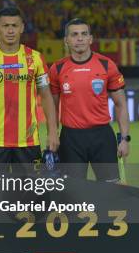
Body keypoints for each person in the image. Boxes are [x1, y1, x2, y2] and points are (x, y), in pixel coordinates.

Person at [0, 7, 59, 168]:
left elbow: (46, 96)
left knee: (31, 193)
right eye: (5, 26)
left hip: (28, 142)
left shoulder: (35, 58)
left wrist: (52, 131)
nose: (10, 30)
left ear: (22, 28)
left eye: (14, 26)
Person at [48, 18, 129, 182]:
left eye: (84, 34)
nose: (79, 38)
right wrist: (52, 135)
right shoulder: (57, 68)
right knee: (74, 195)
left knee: (110, 193)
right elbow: (52, 108)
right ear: (66, 40)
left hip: (102, 137)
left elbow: (121, 105)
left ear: (90, 39)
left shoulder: (107, 65)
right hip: (70, 138)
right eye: (74, 34)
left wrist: (125, 139)